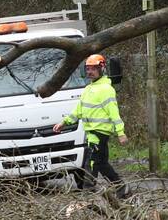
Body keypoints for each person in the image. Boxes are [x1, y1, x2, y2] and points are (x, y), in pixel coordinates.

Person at [53, 54, 128, 192]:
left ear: (102, 69)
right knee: (103, 164)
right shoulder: (88, 89)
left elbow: (114, 113)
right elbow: (79, 110)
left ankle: (88, 191)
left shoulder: (106, 89)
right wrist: (64, 122)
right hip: (92, 132)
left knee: (91, 163)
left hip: (99, 133)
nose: (90, 72)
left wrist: (121, 133)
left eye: (93, 69)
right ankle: (121, 188)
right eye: (88, 69)